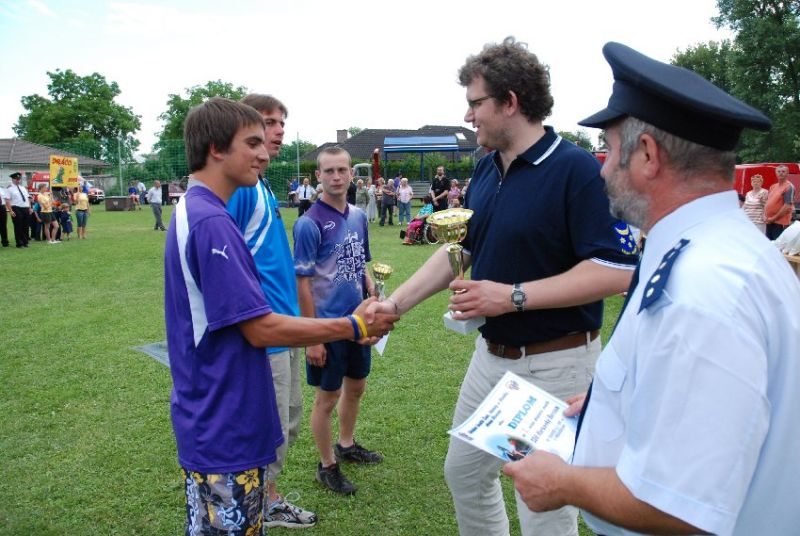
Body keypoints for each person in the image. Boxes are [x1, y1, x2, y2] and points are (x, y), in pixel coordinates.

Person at [502, 41, 800, 536]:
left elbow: (681, 507)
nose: (602, 168)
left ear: (646, 154)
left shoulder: (701, 290)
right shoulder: (720, 251)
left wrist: (562, 483)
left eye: (610, 149)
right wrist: (618, 402)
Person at [369, 37, 636, 536]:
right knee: (465, 474)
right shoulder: (487, 168)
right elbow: (462, 249)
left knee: (544, 505)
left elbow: (615, 270)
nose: (468, 116)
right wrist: (395, 305)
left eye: (476, 103)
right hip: (490, 358)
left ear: (510, 102)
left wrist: (512, 296)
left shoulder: (577, 170)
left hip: (557, 363)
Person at [164, 97, 397, 536]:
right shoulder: (212, 221)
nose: (265, 153)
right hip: (224, 415)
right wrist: (354, 326)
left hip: (214, 407)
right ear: (216, 148)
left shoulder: (198, 210)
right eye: (253, 142)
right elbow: (258, 328)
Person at [225, 94, 315, 529]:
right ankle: (253, 508)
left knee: (287, 422)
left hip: (285, 325)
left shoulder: (261, 186)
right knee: (270, 427)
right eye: (267, 122)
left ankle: (267, 499)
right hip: (266, 332)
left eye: (281, 122)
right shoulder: (242, 190)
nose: (277, 131)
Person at [294, 147, 383, 496]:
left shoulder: (358, 216)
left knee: (356, 387)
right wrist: (312, 337)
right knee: (327, 398)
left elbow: (359, 260)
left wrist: (370, 285)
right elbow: (302, 284)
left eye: (342, 170)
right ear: (318, 176)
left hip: (358, 321)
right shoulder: (309, 223)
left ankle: (346, 445)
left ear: (351, 174)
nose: (336, 176)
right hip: (327, 326)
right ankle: (327, 465)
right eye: (328, 171)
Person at [765, 164, 795, 239]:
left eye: (783, 171)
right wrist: (765, 216)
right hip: (769, 221)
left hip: (780, 223)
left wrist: (773, 218)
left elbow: (787, 206)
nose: (781, 173)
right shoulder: (773, 186)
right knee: (769, 243)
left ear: (787, 173)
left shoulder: (788, 186)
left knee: (778, 244)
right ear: (776, 173)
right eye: (779, 171)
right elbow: (768, 203)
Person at [8, 172, 32, 248]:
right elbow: (7, 200)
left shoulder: (23, 188)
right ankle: (19, 243)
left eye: (19, 179)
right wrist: (10, 211)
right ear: (12, 179)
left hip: (25, 208)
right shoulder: (9, 189)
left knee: (25, 226)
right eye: (16, 179)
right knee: (18, 226)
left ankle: (25, 242)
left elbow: (27, 198)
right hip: (16, 207)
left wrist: (29, 208)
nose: (18, 180)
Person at [0, 183, 10, 247]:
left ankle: (5, 242)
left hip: (2, 207)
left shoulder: (2, 189)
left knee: (3, 225)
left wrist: (9, 209)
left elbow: (6, 200)